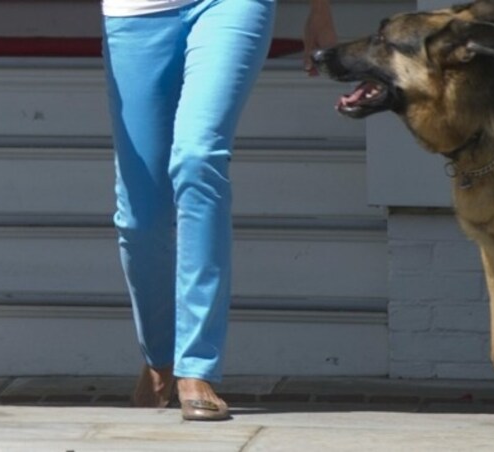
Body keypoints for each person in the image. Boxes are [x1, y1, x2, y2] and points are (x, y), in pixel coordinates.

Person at [101, 0, 336, 420]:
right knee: (140, 219)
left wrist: (320, 9)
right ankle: (159, 359)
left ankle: (196, 367)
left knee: (197, 157)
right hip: (134, 14)